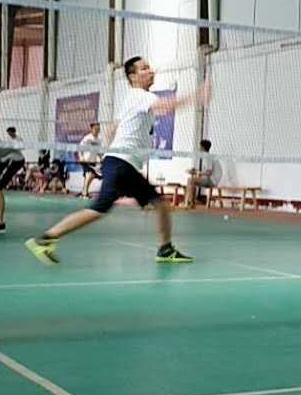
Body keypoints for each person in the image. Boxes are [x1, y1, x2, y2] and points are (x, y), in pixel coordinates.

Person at [25, 56, 203, 266]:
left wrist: (110, 147)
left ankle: (166, 249)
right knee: (100, 208)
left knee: (159, 205)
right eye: (144, 68)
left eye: (149, 67)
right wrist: (196, 96)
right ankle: (45, 239)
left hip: (122, 163)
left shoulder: (133, 98)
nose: (151, 71)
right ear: (132, 76)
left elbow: (114, 128)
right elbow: (165, 107)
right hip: (121, 164)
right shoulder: (141, 96)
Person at [186, 139, 223, 206]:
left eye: (200, 147)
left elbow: (209, 173)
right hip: (212, 179)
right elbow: (205, 171)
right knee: (193, 180)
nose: (199, 148)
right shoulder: (207, 156)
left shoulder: (207, 157)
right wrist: (196, 171)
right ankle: (192, 201)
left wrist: (197, 173)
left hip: (212, 180)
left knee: (190, 180)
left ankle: (189, 202)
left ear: (202, 147)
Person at [79, 122, 103, 198]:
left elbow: (99, 151)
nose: (97, 130)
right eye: (96, 129)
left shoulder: (99, 139)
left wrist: (101, 158)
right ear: (92, 129)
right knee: (89, 175)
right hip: (85, 160)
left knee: (89, 176)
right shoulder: (87, 138)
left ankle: (83, 192)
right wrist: (81, 157)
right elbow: (80, 148)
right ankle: (85, 194)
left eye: (98, 129)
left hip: (93, 161)